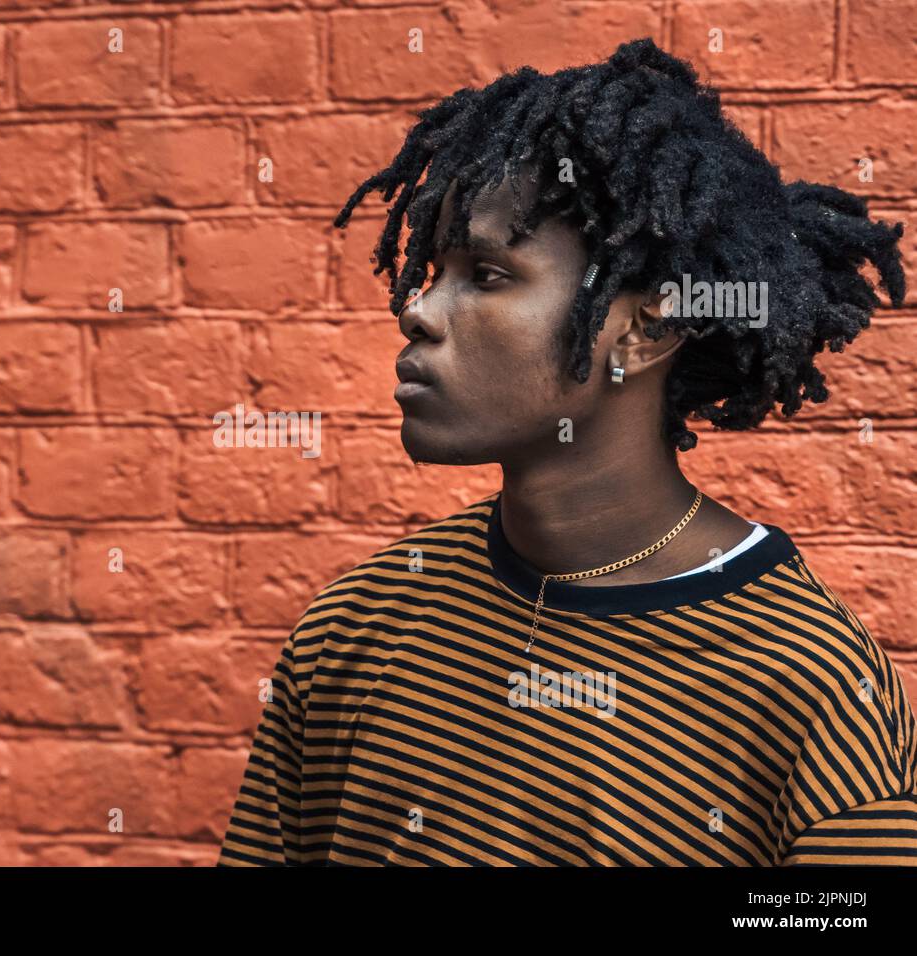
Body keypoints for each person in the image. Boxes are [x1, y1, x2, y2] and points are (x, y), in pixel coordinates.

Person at [217, 38, 916, 866]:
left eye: (486, 275)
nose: (418, 311)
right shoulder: (356, 626)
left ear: (647, 328)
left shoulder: (812, 685)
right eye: (430, 271)